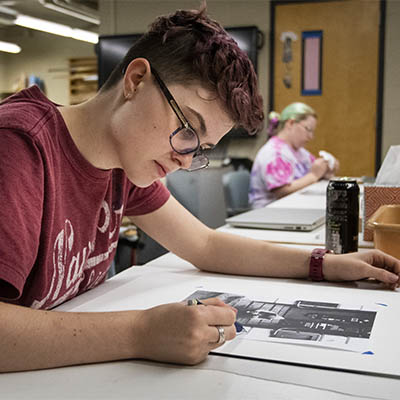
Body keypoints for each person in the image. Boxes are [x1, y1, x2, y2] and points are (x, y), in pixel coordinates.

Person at [0, 5, 399, 373]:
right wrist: (139, 332)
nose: (186, 160)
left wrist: (322, 263)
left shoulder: (124, 163)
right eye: (188, 129)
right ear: (136, 80)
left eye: (202, 148)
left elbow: (205, 245)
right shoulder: (19, 147)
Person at [249, 102, 339, 208]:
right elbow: (282, 192)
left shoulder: (299, 151)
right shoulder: (274, 153)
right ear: (290, 123)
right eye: (308, 130)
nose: (311, 137)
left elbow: (315, 169)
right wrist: (314, 176)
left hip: (290, 209)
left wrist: (327, 168)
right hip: (269, 213)